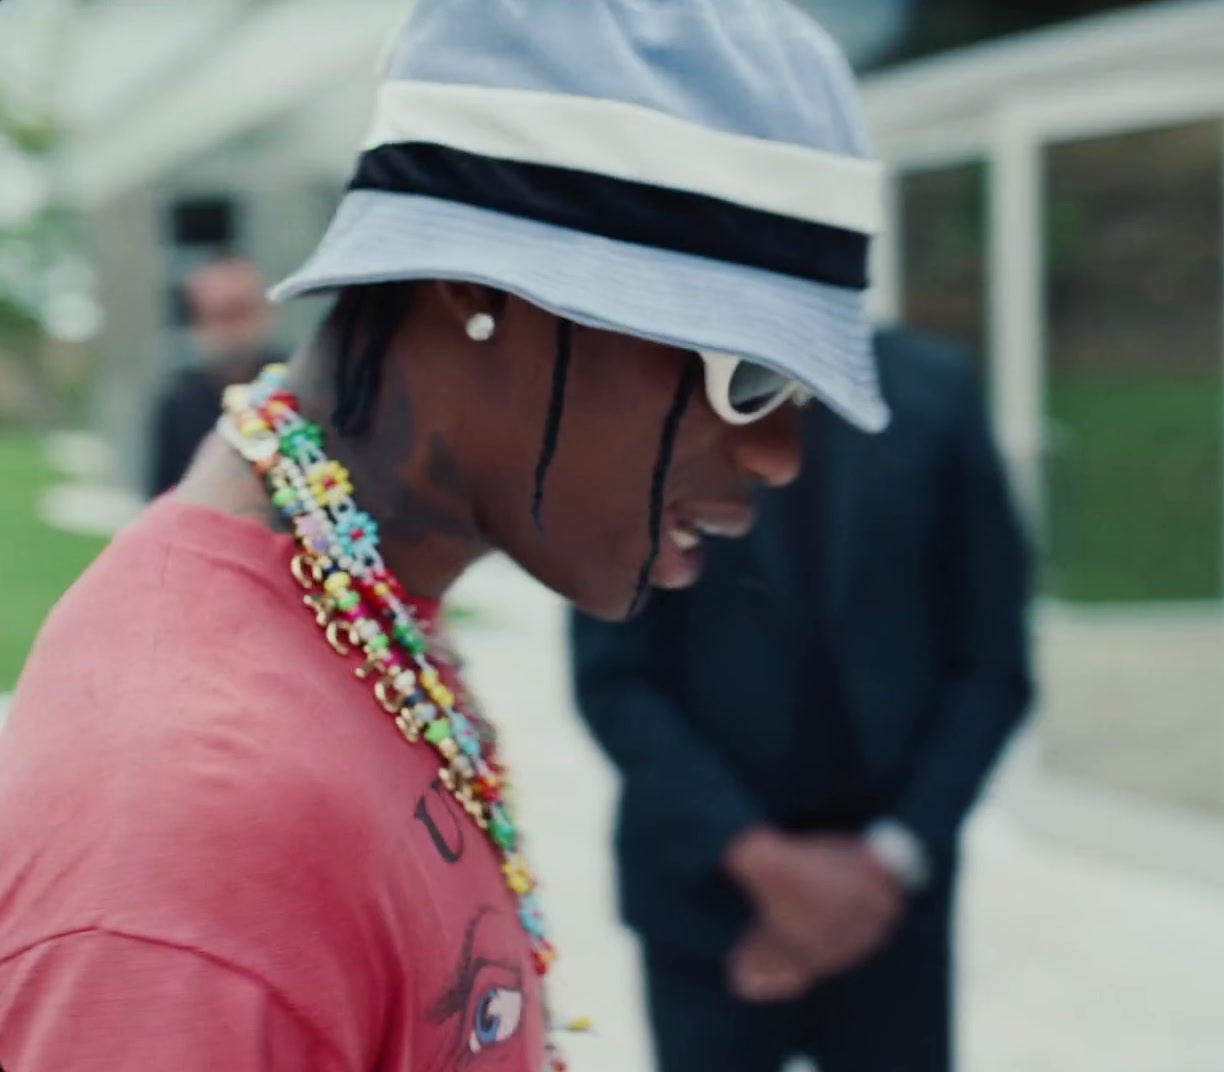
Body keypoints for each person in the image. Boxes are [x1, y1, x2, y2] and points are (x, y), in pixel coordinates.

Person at [0, 4, 889, 1071]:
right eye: (750, 373)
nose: (783, 452)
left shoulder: (350, 606)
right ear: (479, 282)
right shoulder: (191, 835)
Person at [570, 327, 1032, 1072]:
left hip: (888, 908)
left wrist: (883, 866)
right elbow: (614, 677)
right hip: (707, 897)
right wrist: (766, 865)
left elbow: (991, 666)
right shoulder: (648, 390)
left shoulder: (935, 396)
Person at [148, 256, 283, 496]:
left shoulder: (293, 383)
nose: (234, 330)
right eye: (221, 315)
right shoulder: (179, 404)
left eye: (242, 311)